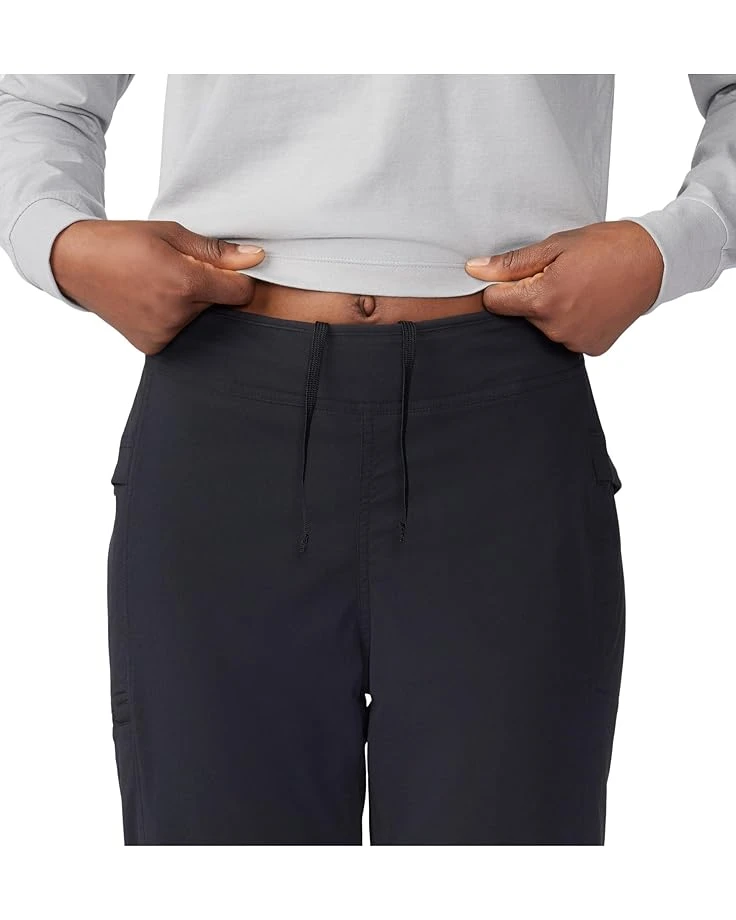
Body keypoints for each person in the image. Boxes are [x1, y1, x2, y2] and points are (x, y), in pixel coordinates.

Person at [0, 75, 733, 846]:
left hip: (503, 420)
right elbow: (39, 92)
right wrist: (60, 239)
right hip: (228, 414)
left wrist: (672, 245)